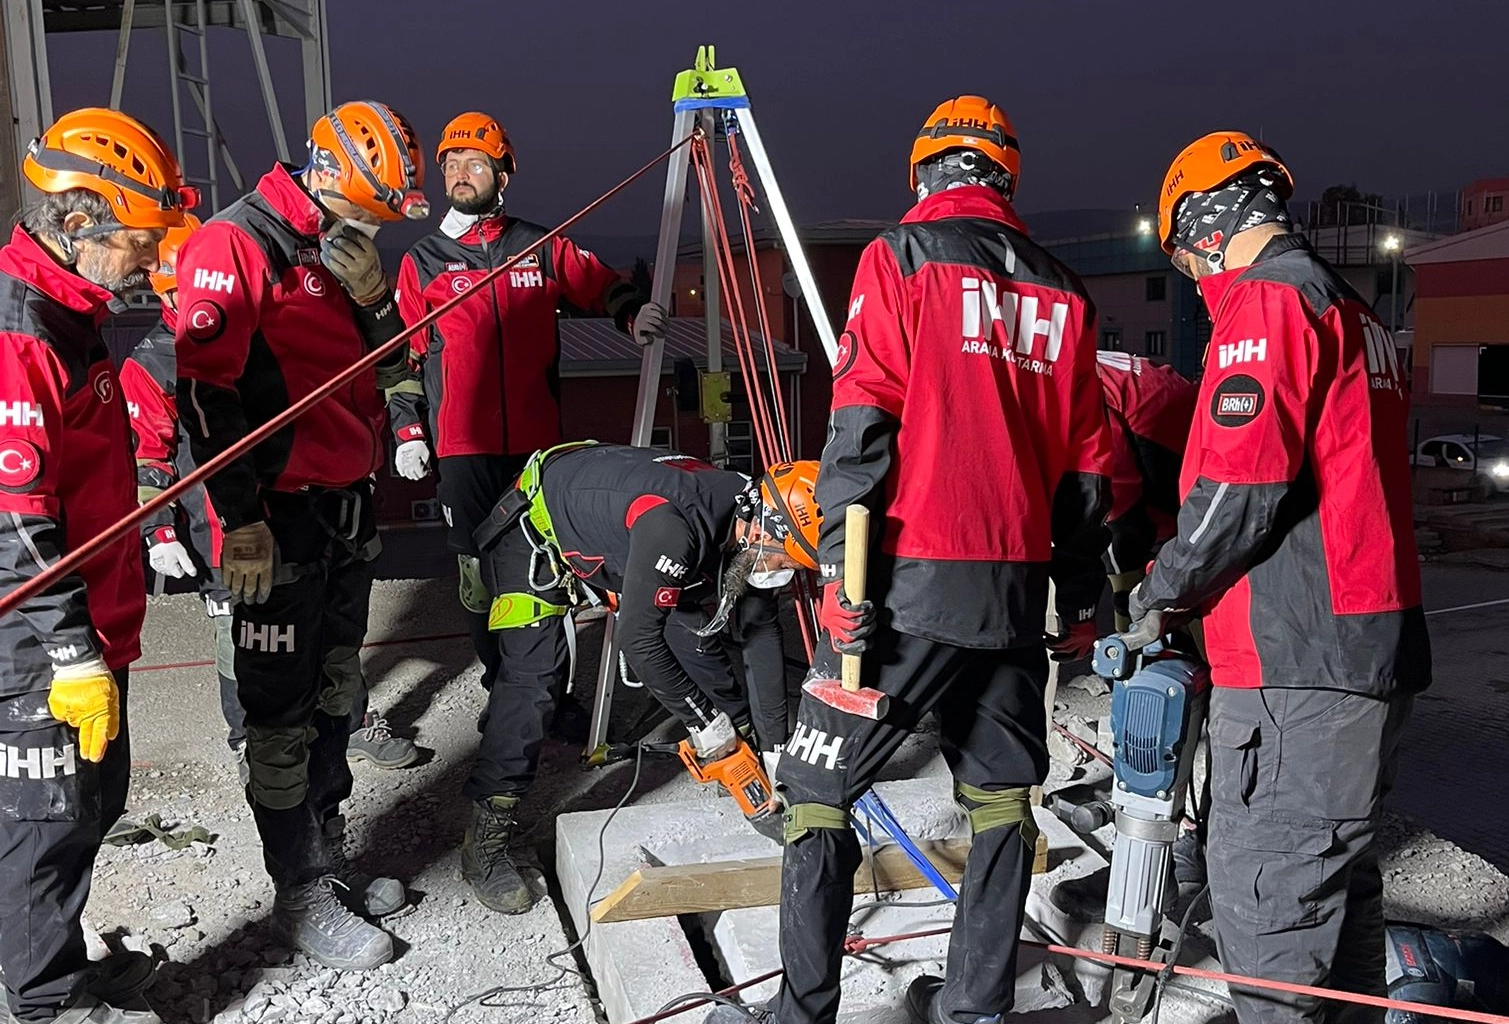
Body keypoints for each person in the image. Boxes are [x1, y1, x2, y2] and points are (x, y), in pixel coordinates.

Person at [708, 95, 1113, 1024]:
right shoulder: (1067, 291)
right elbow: (1090, 473)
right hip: (1017, 589)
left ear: (925, 172)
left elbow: (863, 422)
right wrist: (1077, 600)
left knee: (814, 792)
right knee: (1003, 798)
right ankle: (975, 1008)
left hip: (909, 581)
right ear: (1004, 175)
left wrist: (846, 577)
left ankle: (800, 1014)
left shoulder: (904, 256)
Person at [1130, 131, 1430, 1024]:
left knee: (1270, 919)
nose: (1193, 278)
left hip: (1298, 662)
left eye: (1186, 259)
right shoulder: (1350, 307)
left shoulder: (1267, 304)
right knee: (1338, 905)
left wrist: (1160, 593)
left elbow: (1239, 485)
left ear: (1207, 227)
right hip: (1367, 651)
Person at [173, 100, 429, 971]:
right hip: (272, 527)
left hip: (342, 514)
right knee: (277, 713)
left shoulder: (340, 253)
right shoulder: (233, 245)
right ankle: (298, 891)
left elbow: (392, 366)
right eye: (368, 209)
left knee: (334, 692)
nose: (372, 229)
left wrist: (374, 300)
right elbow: (205, 395)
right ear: (327, 177)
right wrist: (239, 521)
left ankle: (327, 854)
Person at [0, 106, 195, 1024]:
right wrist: (74, 655)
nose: (150, 264)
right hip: (40, 649)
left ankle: (62, 963)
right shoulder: (21, 338)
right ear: (77, 224)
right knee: (44, 822)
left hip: (94, 629)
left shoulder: (71, 314)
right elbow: (17, 524)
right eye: (139, 243)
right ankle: (45, 1003)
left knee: (89, 804)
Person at [386, 111, 668, 727]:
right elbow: (403, 358)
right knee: (478, 582)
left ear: (503, 173)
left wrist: (632, 315)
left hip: (538, 448)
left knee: (545, 576)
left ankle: (553, 700)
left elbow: (599, 283)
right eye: (451, 165)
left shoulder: (541, 245)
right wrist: (409, 431)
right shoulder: (424, 261)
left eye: (475, 164)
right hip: (462, 450)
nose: (461, 175)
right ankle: (504, 693)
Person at [464, 444, 820, 914]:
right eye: (784, 563)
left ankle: (747, 769)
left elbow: (762, 633)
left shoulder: (750, 509)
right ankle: (486, 838)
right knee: (535, 680)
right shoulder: (675, 527)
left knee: (698, 641)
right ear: (759, 531)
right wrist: (708, 726)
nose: (781, 574)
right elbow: (639, 642)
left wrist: (776, 752)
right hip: (537, 524)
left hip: (619, 521)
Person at [120, 221, 420, 776]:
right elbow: (148, 457)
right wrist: (158, 531)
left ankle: (347, 725)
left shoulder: (252, 334)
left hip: (277, 513)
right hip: (213, 527)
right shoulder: (153, 362)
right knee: (241, 643)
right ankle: (249, 742)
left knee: (329, 628)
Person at [1093, 350, 1197, 631]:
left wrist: (1123, 630)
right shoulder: (1066, 365)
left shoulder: (1074, 395)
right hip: (1177, 433)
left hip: (1181, 465)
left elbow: (1119, 518)